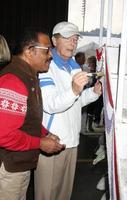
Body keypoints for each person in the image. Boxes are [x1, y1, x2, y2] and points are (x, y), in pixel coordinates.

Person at [35, 21, 102, 200]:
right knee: (46, 195)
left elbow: (76, 102)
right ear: (54, 41)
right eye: (67, 38)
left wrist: (93, 93)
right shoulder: (46, 66)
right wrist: (73, 90)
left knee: (64, 194)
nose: (72, 43)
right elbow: (50, 104)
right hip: (53, 140)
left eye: (75, 39)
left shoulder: (73, 66)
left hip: (72, 140)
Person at [0, 27, 65, 200]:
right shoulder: (14, 80)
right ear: (29, 51)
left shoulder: (27, 75)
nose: (50, 55)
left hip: (18, 163)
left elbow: (27, 117)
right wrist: (40, 143)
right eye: (47, 50)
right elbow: (4, 135)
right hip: (8, 167)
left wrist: (45, 133)